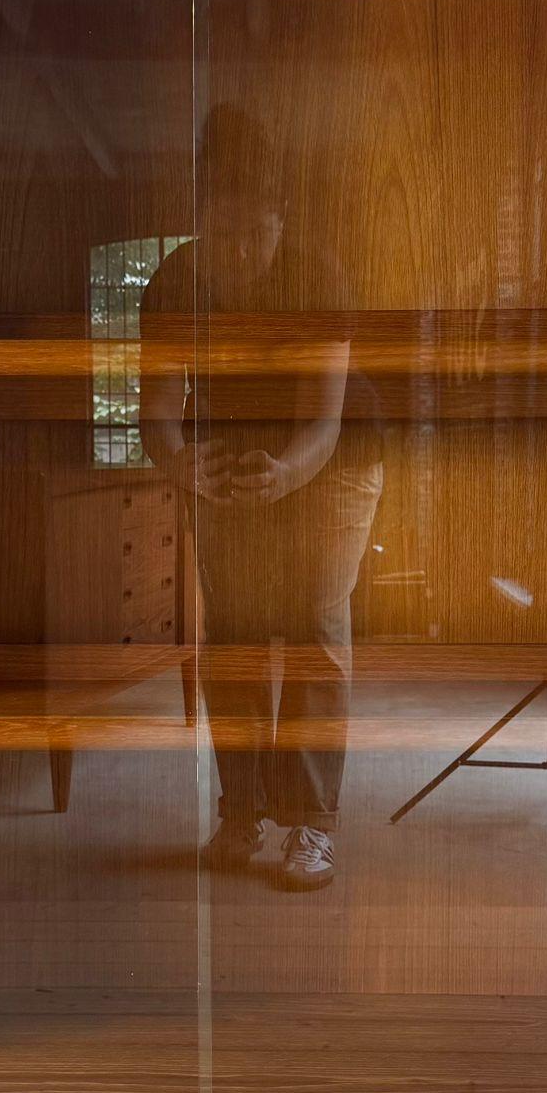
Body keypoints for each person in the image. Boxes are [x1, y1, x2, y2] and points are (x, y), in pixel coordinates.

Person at [139, 106, 382, 890]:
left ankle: (313, 825)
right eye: (225, 232)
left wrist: (286, 474)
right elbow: (158, 411)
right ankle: (240, 813)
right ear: (201, 220)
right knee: (238, 633)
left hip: (332, 460)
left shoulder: (319, 273)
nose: (242, 252)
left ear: (281, 218)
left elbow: (325, 419)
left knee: (312, 620)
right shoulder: (174, 281)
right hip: (231, 458)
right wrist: (180, 464)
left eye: (258, 232)